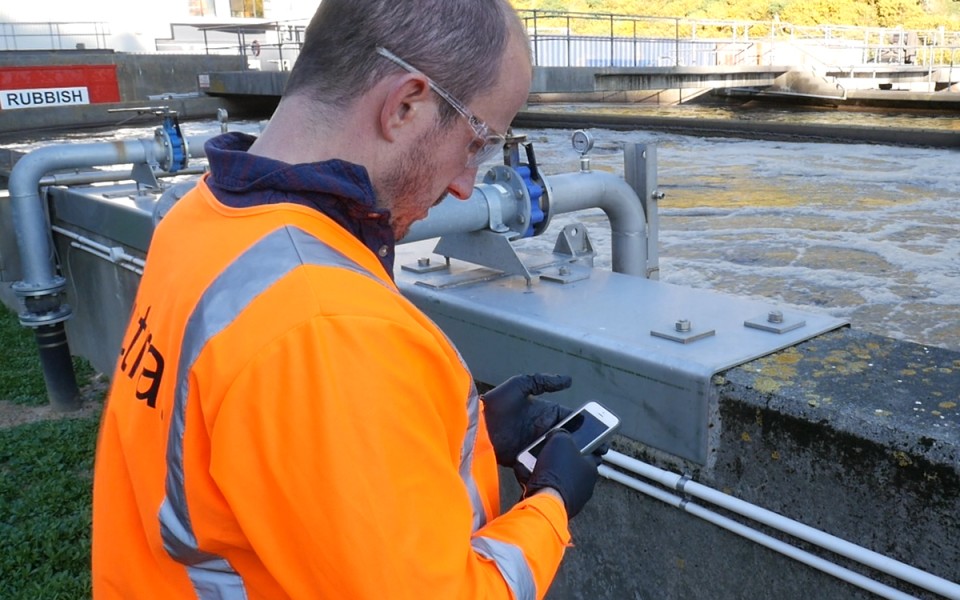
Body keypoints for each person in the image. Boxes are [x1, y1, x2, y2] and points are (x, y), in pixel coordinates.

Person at [91, 0, 603, 598]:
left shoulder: (201, 218)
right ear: (406, 104)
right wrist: (551, 505)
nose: (467, 183)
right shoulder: (330, 325)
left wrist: (471, 434)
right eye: (477, 143)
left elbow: (245, 452)